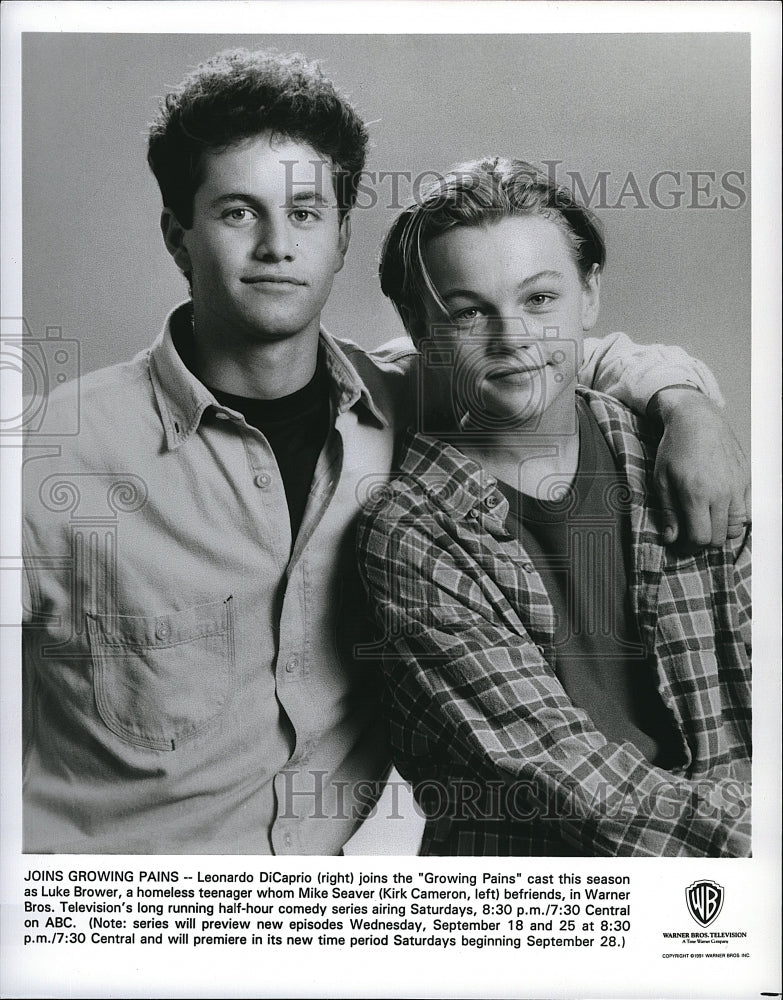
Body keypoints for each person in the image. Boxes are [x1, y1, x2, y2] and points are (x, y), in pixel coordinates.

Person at [22, 50, 748, 855]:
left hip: (329, 918)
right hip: (115, 921)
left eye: (304, 214)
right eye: (236, 212)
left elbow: (547, 349)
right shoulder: (50, 456)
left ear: (339, 236)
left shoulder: (406, 396)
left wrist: (685, 403)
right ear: (176, 236)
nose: (275, 246)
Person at [358, 157, 751, 857]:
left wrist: (685, 404)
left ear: (589, 294)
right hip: (543, 886)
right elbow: (570, 782)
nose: (512, 338)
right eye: (468, 311)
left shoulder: (675, 452)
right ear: (419, 328)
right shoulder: (409, 529)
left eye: (539, 299)